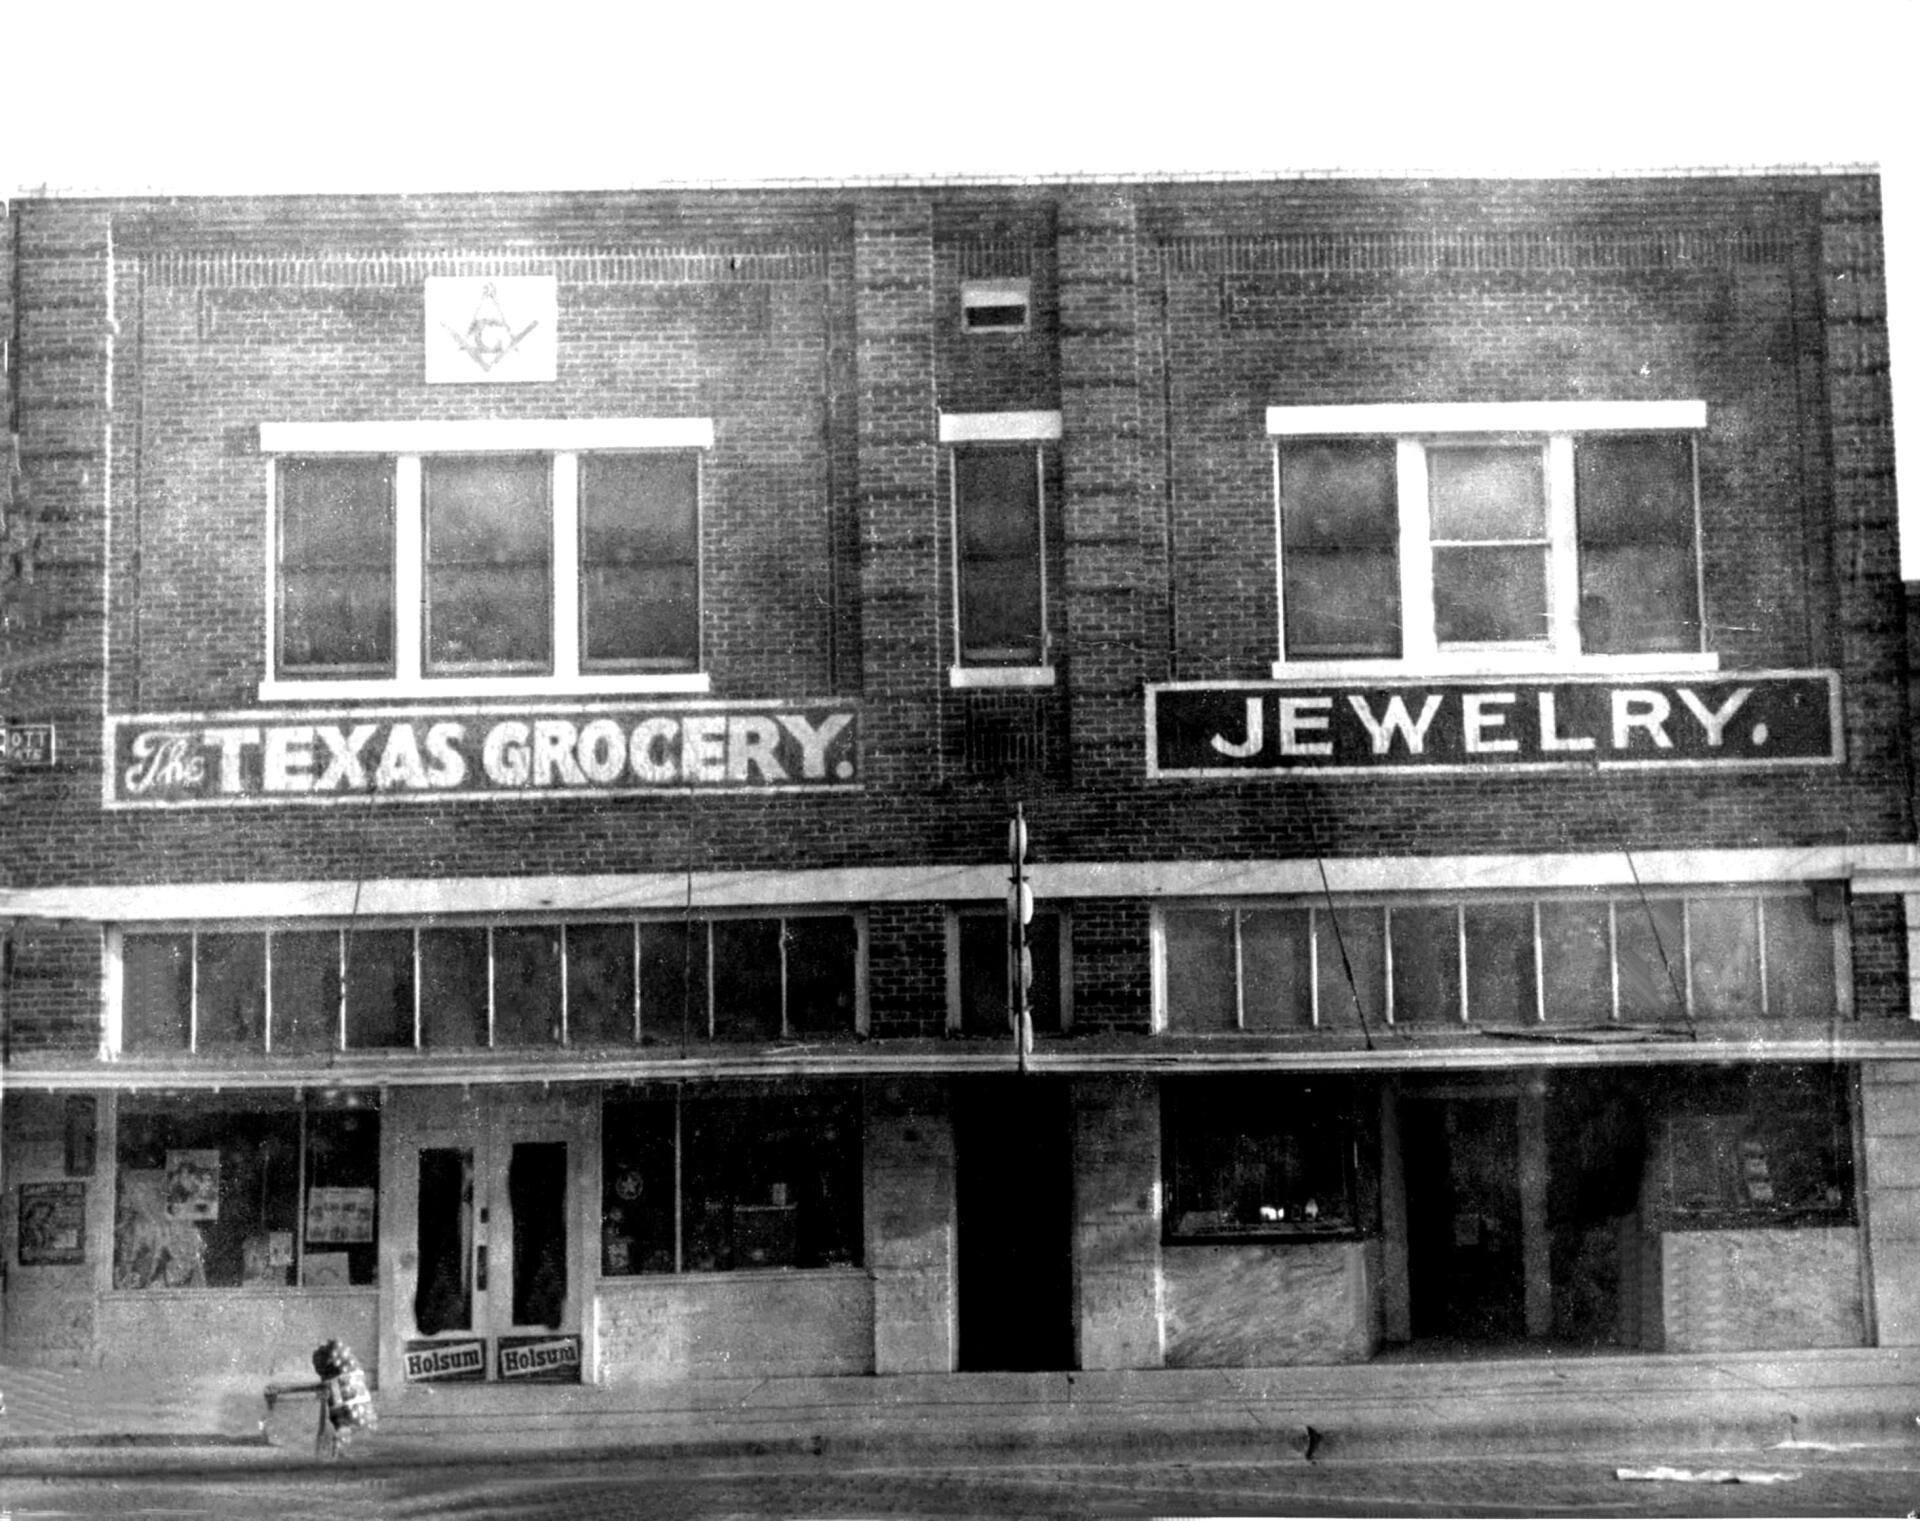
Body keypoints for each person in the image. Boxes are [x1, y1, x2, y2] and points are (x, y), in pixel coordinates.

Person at [266, 1339, 375, 1458]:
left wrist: (283, 1390)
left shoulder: (336, 1383)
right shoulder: (353, 1374)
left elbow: (324, 1391)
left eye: (318, 1368)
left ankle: (340, 1452)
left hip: (348, 1423)